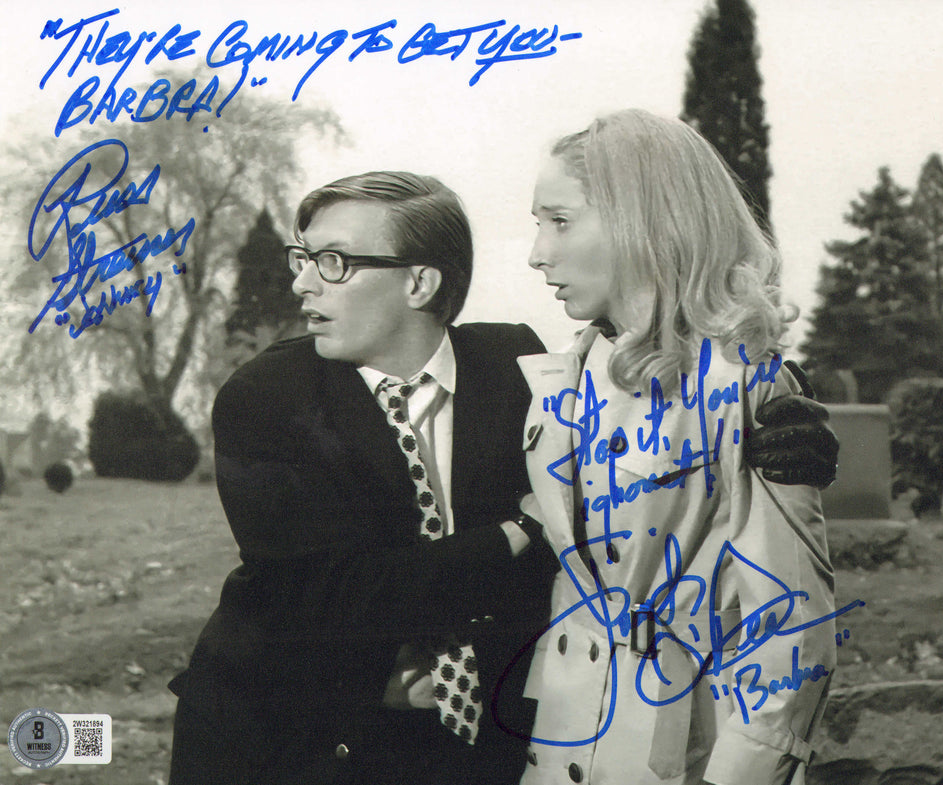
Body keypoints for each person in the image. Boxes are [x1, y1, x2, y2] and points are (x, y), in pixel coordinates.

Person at [167, 171, 560, 785]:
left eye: (334, 262)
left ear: (419, 282)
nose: (301, 283)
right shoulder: (267, 396)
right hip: (289, 737)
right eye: (304, 258)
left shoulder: (516, 367)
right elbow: (334, 594)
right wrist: (518, 531)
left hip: (485, 736)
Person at [516, 110, 838, 785]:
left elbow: (789, 634)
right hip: (563, 741)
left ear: (645, 224)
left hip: (686, 750)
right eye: (538, 224)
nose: (538, 253)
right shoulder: (561, 375)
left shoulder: (741, 384)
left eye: (561, 221)